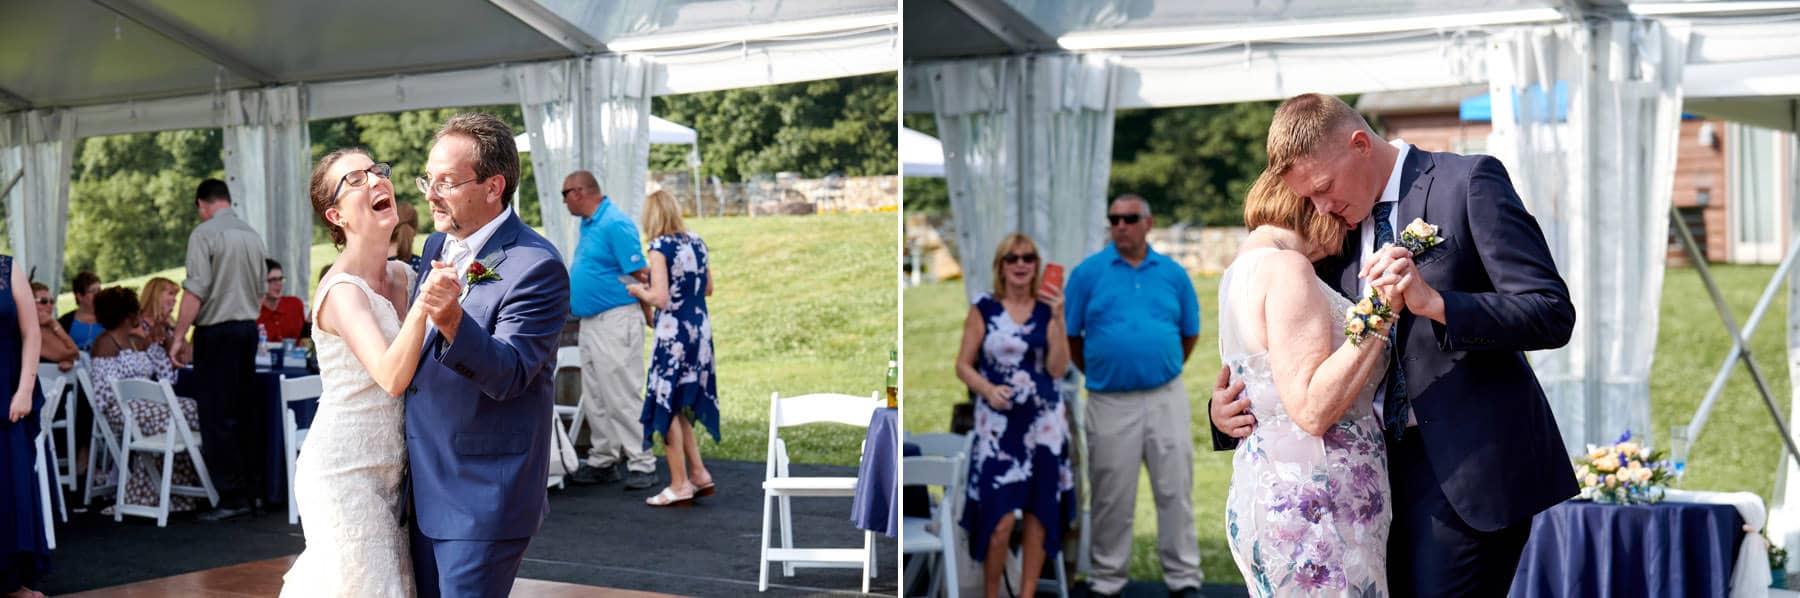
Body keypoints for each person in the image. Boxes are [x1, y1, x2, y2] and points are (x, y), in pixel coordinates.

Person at [1210, 93, 1577, 595]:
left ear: (1360, 144)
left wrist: (1438, 304)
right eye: (1309, 198)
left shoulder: (1467, 183)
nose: (1320, 207)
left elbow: (1550, 312)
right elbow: (1295, 344)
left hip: (1464, 473)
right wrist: (1227, 412)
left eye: (1324, 188)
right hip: (1356, 487)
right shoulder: (1330, 228)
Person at [405, 113, 569, 596]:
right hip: (423, 486)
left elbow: (511, 373)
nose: (431, 195)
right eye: (427, 180)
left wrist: (453, 321)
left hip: (481, 494)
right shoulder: (437, 244)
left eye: (446, 183)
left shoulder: (536, 265)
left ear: (494, 186)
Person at [280, 149, 452, 598]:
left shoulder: (405, 276)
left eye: (377, 171)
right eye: (355, 179)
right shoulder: (342, 291)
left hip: (396, 477)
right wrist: (425, 305)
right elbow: (391, 376)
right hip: (343, 474)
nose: (376, 180)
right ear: (336, 215)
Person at [1217, 172, 1393, 595]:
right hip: (1319, 505)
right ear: (1306, 202)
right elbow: (1313, 410)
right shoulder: (1288, 268)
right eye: (1340, 214)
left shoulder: (1239, 270)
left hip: (1271, 488)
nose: (1350, 226)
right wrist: (1382, 310)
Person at [1064, 194, 1205, 597]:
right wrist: (1109, 369)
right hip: (1109, 401)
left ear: (1148, 223)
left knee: (1175, 490)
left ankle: (1184, 579)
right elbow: (1072, 337)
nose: (1121, 225)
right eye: (1114, 219)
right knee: (1111, 496)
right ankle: (1107, 580)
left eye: (1129, 218)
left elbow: (1190, 332)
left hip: (1165, 396)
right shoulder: (1087, 274)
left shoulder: (1173, 274)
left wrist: (1160, 364)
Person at [954, 232, 1074, 598]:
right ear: (1000, 266)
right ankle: (992, 594)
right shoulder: (984, 308)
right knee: (999, 520)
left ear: (1037, 266)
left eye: (1028, 258)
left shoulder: (1048, 309)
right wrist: (988, 389)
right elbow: (963, 365)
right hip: (997, 428)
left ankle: (1027, 594)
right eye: (1012, 258)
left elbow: (1058, 369)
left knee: (1039, 514)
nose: (1020, 264)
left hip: (1044, 426)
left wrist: (1059, 317)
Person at [170, 178, 269, 522]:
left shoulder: (204, 234)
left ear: (202, 204)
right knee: (244, 411)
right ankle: (255, 492)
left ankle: (231, 496)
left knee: (216, 415)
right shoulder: (252, 235)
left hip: (216, 332)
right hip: (247, 329)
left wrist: (179, 336)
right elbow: (261, 292)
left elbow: (195, 291)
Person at [561, 169, 654, 489]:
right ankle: (604, 458)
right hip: (592, 321)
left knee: (622, 392)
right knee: (596, 394)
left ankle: (642, 461)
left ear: (579, 192)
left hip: (616, 319)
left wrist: (649, 309)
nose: (564, 201)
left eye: (565, 194)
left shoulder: (615, 223)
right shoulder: (590, 224)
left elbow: (639, 273)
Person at [626, 189, 717, 507]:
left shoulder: (659, 247)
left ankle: (679, 484)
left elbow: (661, 298)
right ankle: (699, 473)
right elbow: (708, 288)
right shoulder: (697, 241)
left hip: (673, 336)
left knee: (665, 403)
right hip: (699, 332)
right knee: (680, 404)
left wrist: (639, 290)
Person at [86, 287, 206, 515]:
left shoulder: (136, 341)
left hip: (150, 407)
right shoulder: (105, 344)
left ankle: (180, 491)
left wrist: (164, 337)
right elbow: (104, 395)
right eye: (137, 311)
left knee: (195, 409)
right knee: (174, 420)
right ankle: (145, 495)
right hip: (122, 412)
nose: (140, 316)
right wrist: (140, 397)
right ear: (127, 316)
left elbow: (167, 376)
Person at [0, 253, 46, 598]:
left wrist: (25, 389)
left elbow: (32, 332)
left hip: (8, 395)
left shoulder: (6, 268)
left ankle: (10, 583)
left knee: (11, 484)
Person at [257, 259, 308, 342]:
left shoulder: (295, 304)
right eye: (273, 280)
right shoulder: (254, 313)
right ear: (261, 283)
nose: (279, 283)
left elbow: (305, 339)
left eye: (280, 279)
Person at [31, 283, 77, 371]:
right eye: (43, 301)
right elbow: (73, 353)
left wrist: (54, 324)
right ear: (30, 303)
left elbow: (73, 354)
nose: (49, 305)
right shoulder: (33, 330)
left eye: (51, 301)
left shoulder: (47, 328)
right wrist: (54, 323)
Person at [58, 271, 102, 352]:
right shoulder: (65, 322)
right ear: (80, 296)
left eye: (99, 290)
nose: (98, 294)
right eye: (93, 291)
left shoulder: (110, 316)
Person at [137, 277, 182, 351]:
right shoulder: (137, 322)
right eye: (170, 294)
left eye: (175, 295)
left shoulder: (170, 322)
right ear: (155, 295)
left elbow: (183, 352)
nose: (174, 300)